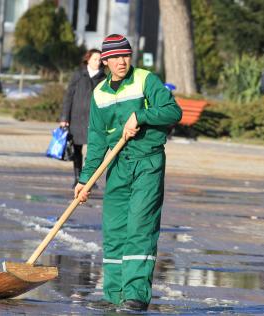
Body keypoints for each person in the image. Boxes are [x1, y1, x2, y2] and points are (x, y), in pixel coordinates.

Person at [74, 34, 182, 312]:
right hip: (117, 165)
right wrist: (85, 179)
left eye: (126, 55)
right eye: (115, 57)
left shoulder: (146, 80)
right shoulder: (99, 93)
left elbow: (172, 111)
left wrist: (141, 116)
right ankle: (114, 293)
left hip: (148, 162)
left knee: (140, 228)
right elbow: (97, 140)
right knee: (114, 229)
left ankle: (135, 294)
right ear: (105, 60)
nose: (122, 61)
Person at [60, 49, 106, 187]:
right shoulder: (78, 75)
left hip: (94, 119)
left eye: (99, 60)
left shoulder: (104, 78)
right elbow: (69, 96)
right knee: (77, 149)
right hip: (76, 117)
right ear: (88, 59)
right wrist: (64, 117)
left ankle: (90, 179)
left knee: (94, 150)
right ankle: (78, 177)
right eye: (94, 59)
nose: (97, 62)